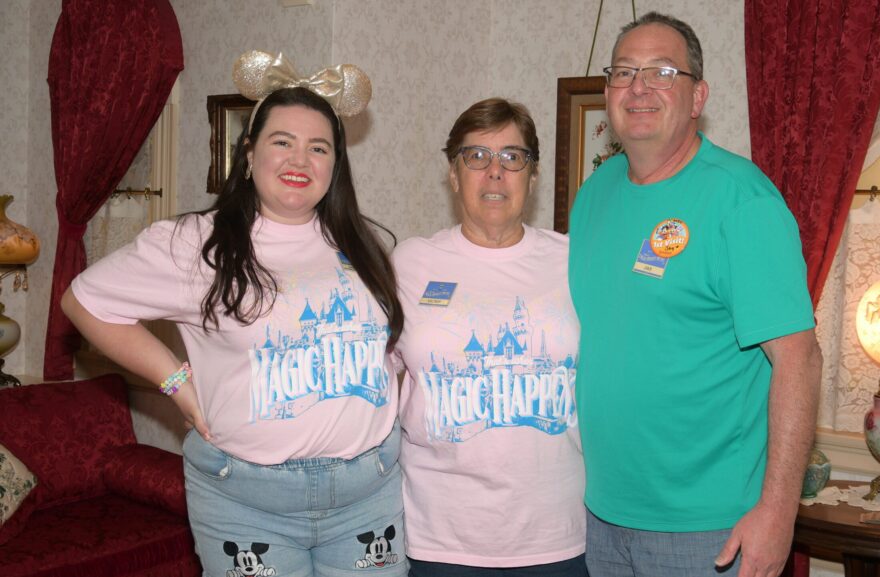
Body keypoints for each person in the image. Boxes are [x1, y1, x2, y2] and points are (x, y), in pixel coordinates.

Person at [62, 53, 409, 577]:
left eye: (319, 147)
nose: (300, 159)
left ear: (336, 163)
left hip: (368, 493)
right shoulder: (193, 245)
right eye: (281, 142)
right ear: (248, 153)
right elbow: (84, 302)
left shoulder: (367, 243)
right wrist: (175, 380)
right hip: (246, 503)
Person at [568, 12, 823, 577]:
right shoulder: (594, 194)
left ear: (697, 95)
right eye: (624, 72)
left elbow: (799, 360)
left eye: (661, 71)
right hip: (601, 517)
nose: (638, 87)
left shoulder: (742, 201)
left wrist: (778, 514)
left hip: (709, 530)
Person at [392, 98, 586, 577]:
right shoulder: (409, 264)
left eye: (512, 157)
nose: (495, 172)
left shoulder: (576, 261)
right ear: (453, 174)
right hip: (439, 537)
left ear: (533, 175)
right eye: (476, 156)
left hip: (556, 534)